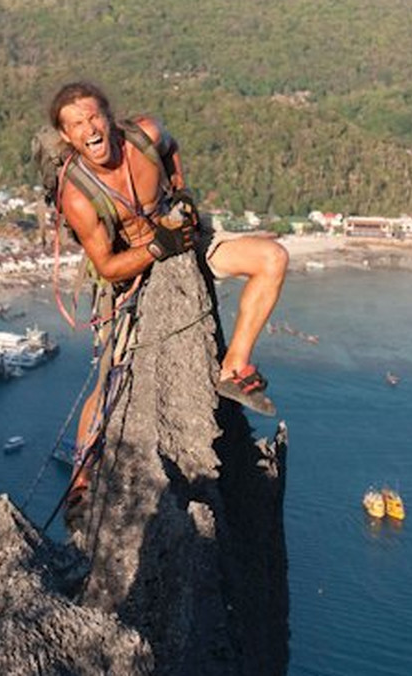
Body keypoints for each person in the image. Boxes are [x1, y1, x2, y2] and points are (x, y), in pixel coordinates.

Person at [47, 82, 288, 502]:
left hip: (185, 240)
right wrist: (157, 247)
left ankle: (233, 368)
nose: (89, 129)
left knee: (273, 259)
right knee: (110, 381)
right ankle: (81, 476)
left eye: (92, 117)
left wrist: (180, 192)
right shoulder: (78, 194)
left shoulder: (145, 136)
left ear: (108, 117)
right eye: (76, 125)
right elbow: (106, 265)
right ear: (67, 137)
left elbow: (170, 144)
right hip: (132, 271)